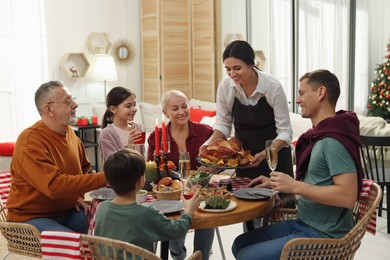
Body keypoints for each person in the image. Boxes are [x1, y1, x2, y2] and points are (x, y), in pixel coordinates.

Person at [231, 69, 364, 260]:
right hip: (304, 222)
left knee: (247, 255)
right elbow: (318, 181)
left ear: (320, 92)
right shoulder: (318, 136)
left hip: (324, 236)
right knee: (240, 243)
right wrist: (276, 183)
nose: (298, 100)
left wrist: (294, 186)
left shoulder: (333, 141)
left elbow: (347, 196)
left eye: (301, 93)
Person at [6, 80, 107, 233]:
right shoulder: (30, 140)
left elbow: (83, 168)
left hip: (66, 212)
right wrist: (109, 177)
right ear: (49, 109)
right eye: (67, 101)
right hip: (29, 219)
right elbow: (54, 186)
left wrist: (77, 197)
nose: (75, 105)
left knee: (111, 226)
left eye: (73, 99)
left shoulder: (71, 134)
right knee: (74, 248)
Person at [200, 40, 293, 180]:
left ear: (251, 64)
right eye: (228, 69)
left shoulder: (272, 87)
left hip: (274, 160)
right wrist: (208, 144)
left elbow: (285, 132)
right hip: (244, 160)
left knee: (277, 201)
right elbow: (223, 124)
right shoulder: (225, 87)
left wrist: (264, 154)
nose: (232, 74)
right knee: (245, 199)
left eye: (237, 68)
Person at [147, 90, 217, 260]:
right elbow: (151, 172)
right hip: (171, 195)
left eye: (184, 106)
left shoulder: (205, 132)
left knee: (208, 216)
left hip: (201, 192)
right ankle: (178, 256)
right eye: (175, 108)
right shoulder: (155, 138)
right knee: (173, 220)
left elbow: (218, 161)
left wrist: (212, 169)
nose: (181, 112)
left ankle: (202, 257)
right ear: (165, 113)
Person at [94, 148, 201, 253]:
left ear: (108, 181)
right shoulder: (146, 214)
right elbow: (177, 231)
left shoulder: (101, 208)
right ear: (141, 180)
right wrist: (188, 211)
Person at [99, 86, 144, 162]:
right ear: (113, 109)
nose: (134, 109)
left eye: (134, 105)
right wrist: (129, 147)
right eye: (128, 106)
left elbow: (142, 157)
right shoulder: (106, 134)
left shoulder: (137, 127)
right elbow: (114, 165)